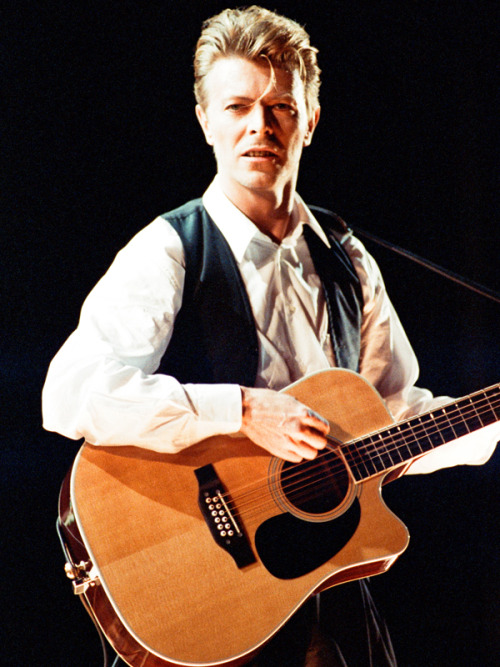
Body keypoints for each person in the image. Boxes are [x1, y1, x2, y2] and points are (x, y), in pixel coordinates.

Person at [42, 6, 499, 666]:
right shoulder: (171, 249)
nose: (260, 125)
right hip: (205, 594)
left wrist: (488, 423)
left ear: (309, 120)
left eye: (281, 107)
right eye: (237, 107)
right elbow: (71, 393)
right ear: (206, 121)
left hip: (328, 587)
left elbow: (395, 416)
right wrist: (243, 410)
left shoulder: (347, 258)